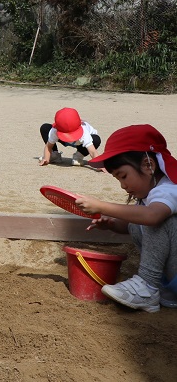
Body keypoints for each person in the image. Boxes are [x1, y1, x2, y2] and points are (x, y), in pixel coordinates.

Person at [76, 125, 177, 313]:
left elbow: (152, 217)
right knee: (139, 219)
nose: (123, 185)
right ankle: (161, 290)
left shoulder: (170, 189)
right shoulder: (150, 195)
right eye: (118, 179)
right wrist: (112, 224)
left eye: (123, 176)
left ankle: (147, 285)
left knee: (158, 219)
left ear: (148, 165)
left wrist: (101, 206)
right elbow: (137, 223)